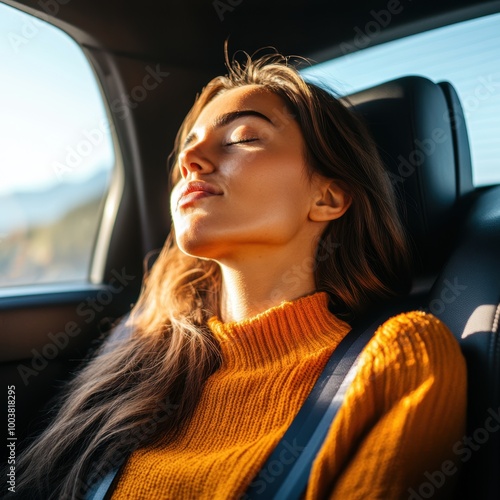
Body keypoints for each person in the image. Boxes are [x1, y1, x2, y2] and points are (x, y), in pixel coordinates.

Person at [15, 51, 466, 499]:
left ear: (327, 198)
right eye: (189, 143)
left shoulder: (398, 358)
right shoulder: (143, 350)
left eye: (243, 137)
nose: (189, 157)